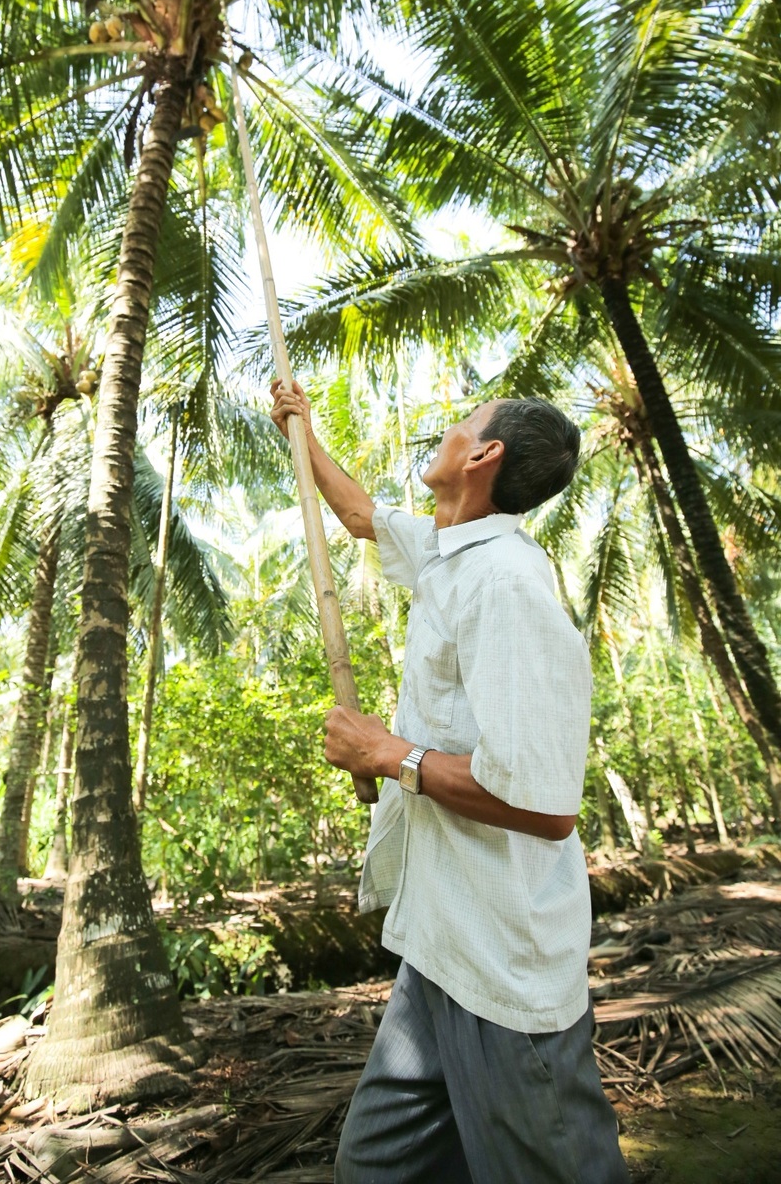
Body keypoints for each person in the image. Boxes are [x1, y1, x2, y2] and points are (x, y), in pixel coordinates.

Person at [270, 383, 629, 1184]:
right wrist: (302, 428)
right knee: (376, 1166)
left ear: (483, 454)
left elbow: (544, 806)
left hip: (501, 962)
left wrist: (386, 754)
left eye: (464, 422)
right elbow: (360, 515)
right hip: (438, 945)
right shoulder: (449, 553)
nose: (448, 428)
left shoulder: (506, 583)